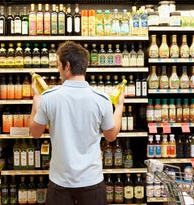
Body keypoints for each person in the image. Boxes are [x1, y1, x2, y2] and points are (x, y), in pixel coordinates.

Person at [29, 41, 124, 205]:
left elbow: (35, 132)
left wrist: (36, 99)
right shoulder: (101, 99)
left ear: (66, 66)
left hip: (60, 183)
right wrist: (120, 106)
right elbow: (111, 136)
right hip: (92, 182)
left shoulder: (49, 98)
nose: (58, 70)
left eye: (58, 65)